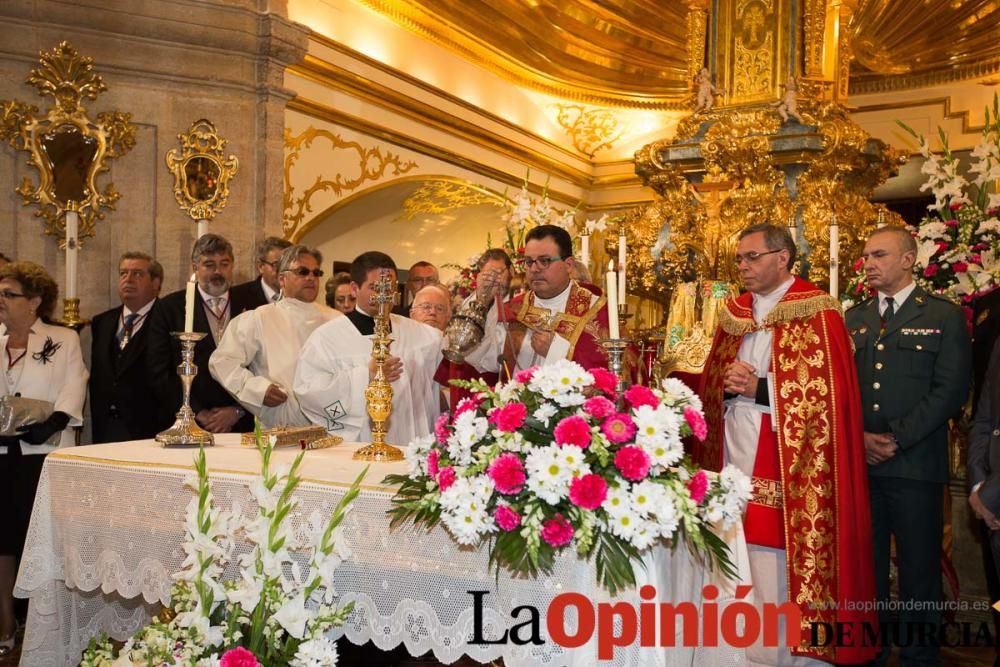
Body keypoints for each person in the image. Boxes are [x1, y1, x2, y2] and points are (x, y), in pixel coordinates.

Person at [695, 223, 876, 665]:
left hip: (789, 461)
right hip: (733, 451)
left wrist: (758, 387)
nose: (743, 266)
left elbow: (829, 397)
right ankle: (736, 654)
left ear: (783, 258)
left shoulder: (817, 310)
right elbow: (710, 380)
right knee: (734, 560)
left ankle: (785, 656)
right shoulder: (734, 311)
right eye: (739, 258)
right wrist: (723, 382)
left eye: (752, 257)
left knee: (775, 567)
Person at [846, 225, 971, 666]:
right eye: (865, 257)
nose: (869, 264)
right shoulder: (855, 317)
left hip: (915, 464)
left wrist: (896, 437)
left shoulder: (941, 315)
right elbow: (843, 389)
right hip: (863, 463)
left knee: (919, 570)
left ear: (907, 259)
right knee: (868, 568)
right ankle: (872, 653)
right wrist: (858, 437)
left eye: (879, 255)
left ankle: (919, 657)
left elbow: (951, 389)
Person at [0, 262, 87, 656]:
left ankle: (41, 624)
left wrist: (52, 421)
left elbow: (75, 384)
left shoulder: (62, 338)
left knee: (34, 539)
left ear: (34, 302)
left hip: (42, 451)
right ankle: (4, 625)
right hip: (1, 453)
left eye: (9, 293)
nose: (1, 300)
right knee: (0, 541)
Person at [294, 251, 442, 444]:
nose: (383, 294)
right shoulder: (327, 338)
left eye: (389, 287)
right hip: (360, 445)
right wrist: (367, 375)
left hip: (410, 444)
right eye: (374, 287)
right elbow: (309, 392)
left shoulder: (420, 335)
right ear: (355, 288)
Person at [210, 245, 339, 428]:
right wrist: (258, 390)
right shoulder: (259, 318)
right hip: (279, 429)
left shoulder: (336, 320)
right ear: (282, 279)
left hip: (330, 428)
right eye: (302, 271)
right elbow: (222, 361)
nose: (311, 277)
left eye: (316, 272)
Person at [464, 225, 611, 378]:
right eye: (529, 261)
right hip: (517, 400)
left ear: (568, 265)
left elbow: (611, 376)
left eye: (545, 261)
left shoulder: (596, 311)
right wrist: (482, 301)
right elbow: (480, 357)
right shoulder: (513, 310)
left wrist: (556, 351)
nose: (534, 269)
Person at [147, 234, 256, 434]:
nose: (217, 271)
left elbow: (263, 367)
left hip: (243, 423)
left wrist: (238, 410)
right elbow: (158, 370)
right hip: (189, 422)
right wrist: (196, 411)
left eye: (224, 264)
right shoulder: (170, 308)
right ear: (195, 268)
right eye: (209, 265)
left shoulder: (253, 304)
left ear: (232, 266)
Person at [89, 252, 164, 443]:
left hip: (150, 428)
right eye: (123, 273)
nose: (128, 280)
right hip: (106, 428)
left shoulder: (169, 320)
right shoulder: (102, 322)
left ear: (156, 283)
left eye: (137, 274)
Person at [230, 236, 292, 309]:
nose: (283, 270)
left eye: (288, 265)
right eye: (276, 265)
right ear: (261, 266)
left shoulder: (301, 295)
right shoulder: (237, 296)